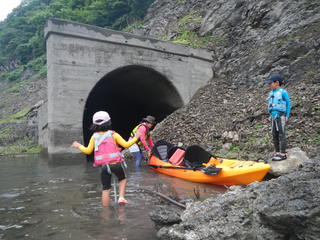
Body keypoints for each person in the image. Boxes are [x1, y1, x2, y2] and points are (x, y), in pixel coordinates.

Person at [71, 111, 140, 207]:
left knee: (106, 188)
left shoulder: (94, 137)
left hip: (103, 167)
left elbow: (87, 151)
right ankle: (121, 197)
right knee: (122, 179)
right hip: (116, 164)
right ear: (108, 122)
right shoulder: (113, 134)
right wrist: (136, 137)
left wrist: (78, 146)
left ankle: (105, 211)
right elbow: (126, 145)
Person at [264, 74, 291, 161]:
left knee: (282, 134)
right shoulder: (271, 93)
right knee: (274, 134)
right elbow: (271, 106)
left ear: (277, 83)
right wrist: (270, 116)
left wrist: (287, 115)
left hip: (281, 115)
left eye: (270, 83)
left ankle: (283, 154)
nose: (269, 85)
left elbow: (288, 104)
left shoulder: (283, 92)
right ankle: (277, 152)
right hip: (273, 116)